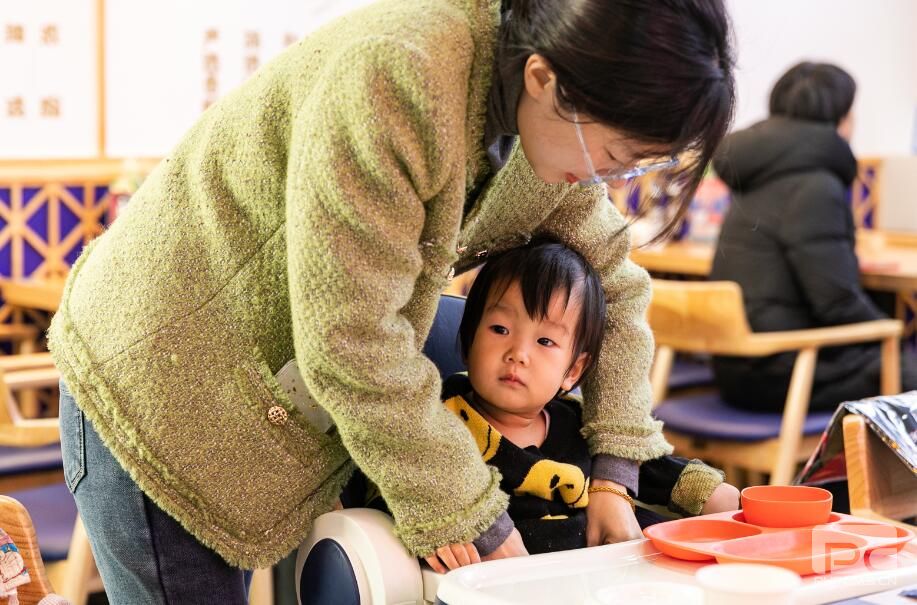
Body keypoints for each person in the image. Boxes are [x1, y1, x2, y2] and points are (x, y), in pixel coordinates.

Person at [48, 0, 736, 601]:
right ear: (544, 79)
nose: (610, 179)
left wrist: (614, 475)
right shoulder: (397, 75)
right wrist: (478, 520)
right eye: (618, 156)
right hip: (161, 378)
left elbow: (612, 284)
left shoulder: (542, 121)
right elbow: (352, 342)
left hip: (271, 390)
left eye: (637, 166)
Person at [419, 240, 738, 569]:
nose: (518, 353)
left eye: (545, 341)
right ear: (469, 339)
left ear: (572, 371)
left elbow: (648, 467)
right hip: (523, 579)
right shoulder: (442, 417)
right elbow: (409, 476)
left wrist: (713, 495)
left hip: (613, 571)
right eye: (500, 329)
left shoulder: (577, 422)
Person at [710, 61, 917, 412]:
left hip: (737, 365)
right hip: (780, 374)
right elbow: (836, 302)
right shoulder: (816, 186)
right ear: (841, 119)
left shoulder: (758, 176)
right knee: (904, 364)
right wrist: (893, 335)